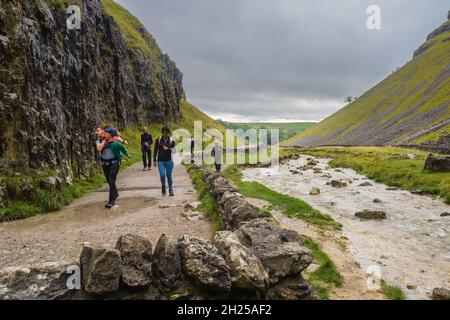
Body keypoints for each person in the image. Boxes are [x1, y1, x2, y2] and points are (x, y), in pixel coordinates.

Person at [96, 126, 130, 209]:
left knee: (111, 181)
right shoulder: (98, 140)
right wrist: (105, 139)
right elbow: (99, 148)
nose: (96, 132)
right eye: (96, 131)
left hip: (114, 163)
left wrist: (124, 142)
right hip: (105, 164)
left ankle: (111, 201)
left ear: (103, 131)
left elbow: (119, 139)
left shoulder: (113, 138)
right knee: (109, 181)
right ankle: (115, 194)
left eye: (98, 130)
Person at [153, 126, 176, 196]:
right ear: (162, 133)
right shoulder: (158, 140)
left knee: (169, 176)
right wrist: (154, 159)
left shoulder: (172, 141)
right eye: (163, 133)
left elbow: (174, 150)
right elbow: (155, 150)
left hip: (169, 161)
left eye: (166, 133)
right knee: (162, 175)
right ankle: (163, 185)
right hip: (160, 161)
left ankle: (170, 190)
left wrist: (168, 149)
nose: (165, 134)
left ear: (168, 133)